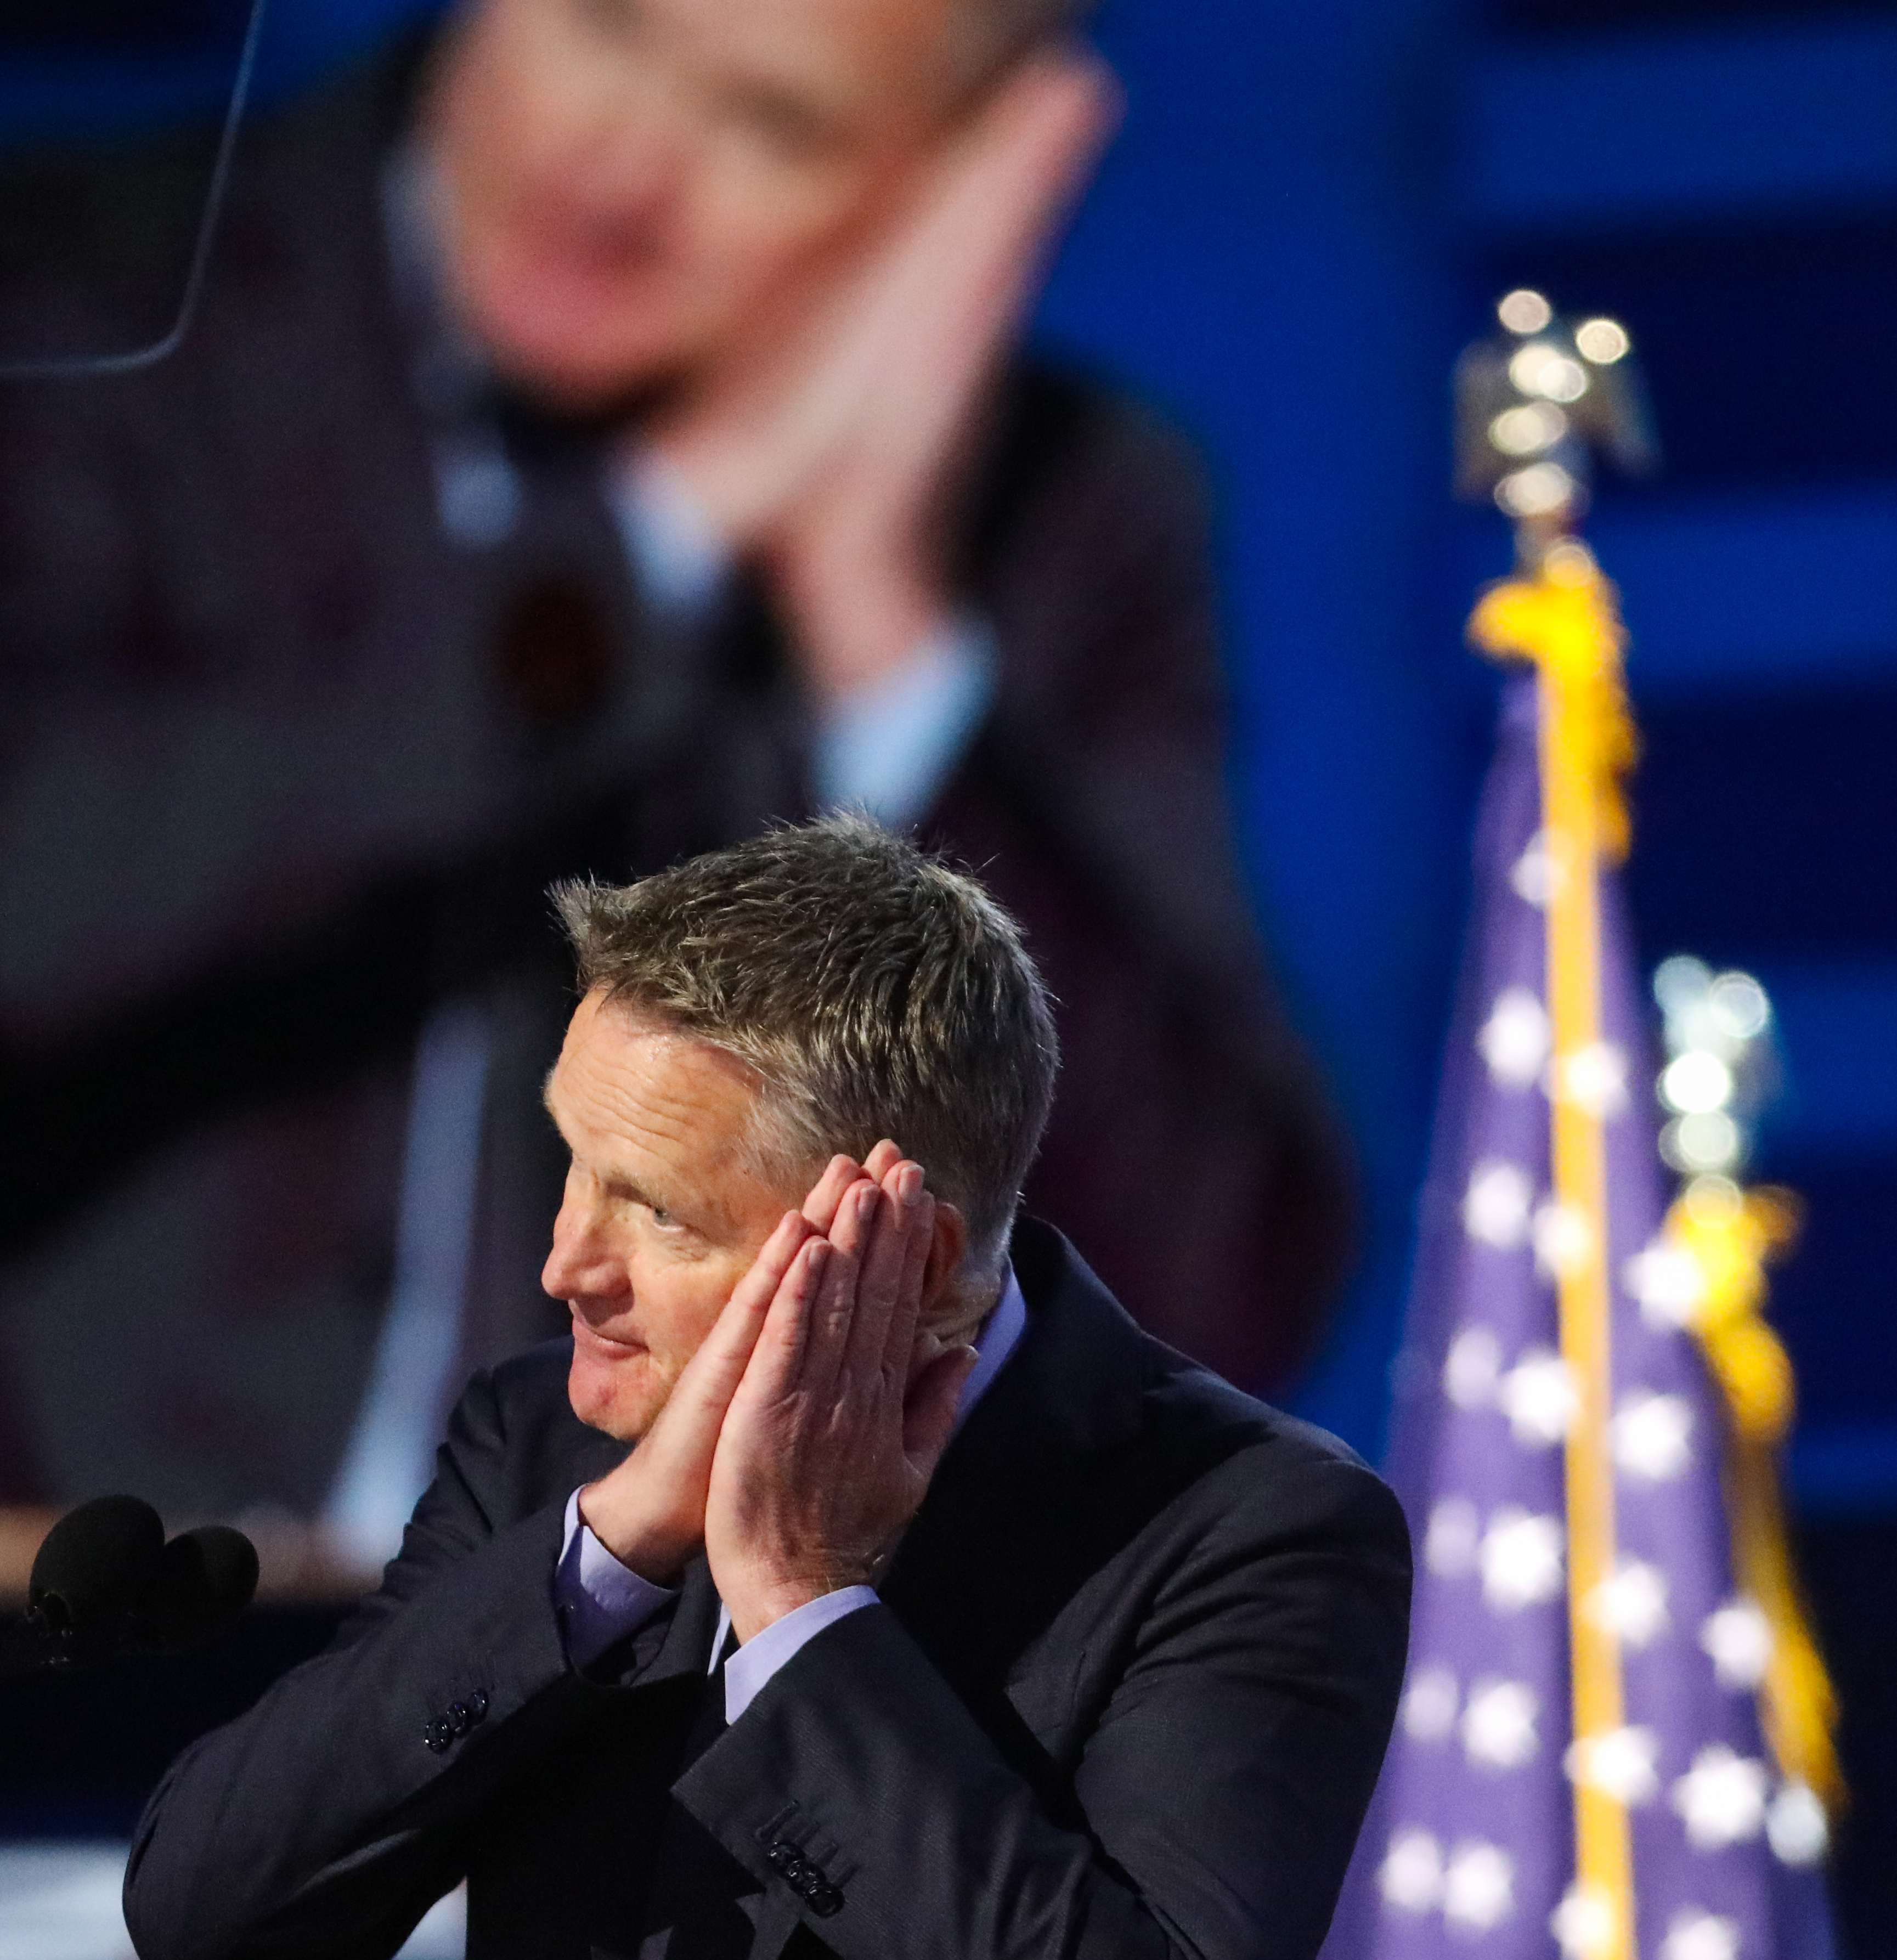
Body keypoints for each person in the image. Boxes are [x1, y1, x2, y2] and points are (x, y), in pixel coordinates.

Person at [0, 0, 1351, 1538]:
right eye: (604, 26)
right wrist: (653, 547)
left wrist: (883, 650)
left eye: (772, 124)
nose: (622, 162)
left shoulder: (1061, 515)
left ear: (955, 168)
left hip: (669, 1730)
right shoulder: (64, 302)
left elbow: (1204, 1296)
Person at [125, 819, 1408, 1960]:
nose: (563, 1262)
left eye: (654, 1209)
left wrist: (801, 1605)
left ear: (896, 1253)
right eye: (570, 1160)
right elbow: (204, 1920)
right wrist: (604, 1555)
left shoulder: (1246, 1529)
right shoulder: (545, 1451)